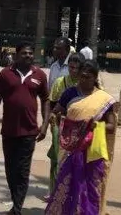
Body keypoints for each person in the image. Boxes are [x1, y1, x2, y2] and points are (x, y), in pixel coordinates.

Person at [42, 60, 116, 214]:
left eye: (88, 77)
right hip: (70, 148)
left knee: (89, 187)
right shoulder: (70, 93)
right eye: (82, 76)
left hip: (92, 152)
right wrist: (54, 117)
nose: (84, 80)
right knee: (67, 184)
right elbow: (56, 111)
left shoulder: (104, 99)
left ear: (95, 77)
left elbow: (111, 126)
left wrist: (96, 126)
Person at [0, 43, 49, 215]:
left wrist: (44, 125)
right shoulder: (6, 74)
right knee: (10, 170)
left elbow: (46, 99)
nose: (28, 56)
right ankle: (16, 204)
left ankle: (16, 209)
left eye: (30, 53)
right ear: (16, 55)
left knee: (22, 170)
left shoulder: (40, 75)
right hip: (9, 131)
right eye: (24, 53)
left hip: (29, 132)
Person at [44, 56, 80, 191]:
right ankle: (53, 189)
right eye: (71, 67)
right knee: (56, 156)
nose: (73, 70)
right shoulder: (60, 82)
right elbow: (52, 103)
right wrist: (51, 121)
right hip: (60, 125)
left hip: (78, 127)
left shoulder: (85, 84)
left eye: (77, 68)